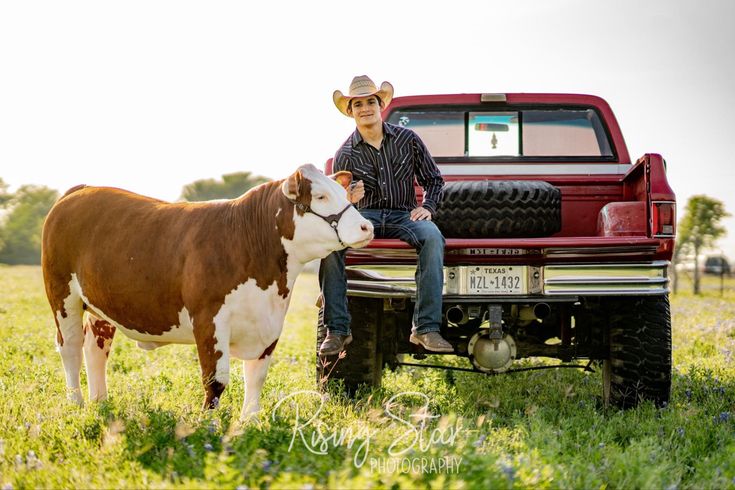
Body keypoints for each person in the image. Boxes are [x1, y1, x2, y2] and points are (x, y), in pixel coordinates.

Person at [318, 75, 452, 356]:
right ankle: (338, 330)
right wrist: (349, 199)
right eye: (358, 104)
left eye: (370, 101)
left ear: (381, 105)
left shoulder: (408, 139)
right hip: (364, 218)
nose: (365, 108)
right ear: (350, 111)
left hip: (404, 215)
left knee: (432, 237)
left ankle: (426, 329)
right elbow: (338, 203)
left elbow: (434, 180)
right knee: (330, 246)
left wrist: (427, 207)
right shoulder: (345, 153)